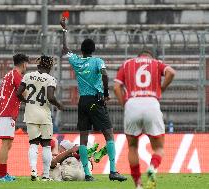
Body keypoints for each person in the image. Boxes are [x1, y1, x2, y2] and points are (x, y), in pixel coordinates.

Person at [60, 18, 127, 182]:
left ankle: (87, 174)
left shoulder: (76, 61)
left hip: (82, 101)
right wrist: (105, 93)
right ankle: (113, 171)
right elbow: (105, 75)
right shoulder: (97, 61)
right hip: (96, 101)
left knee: (83, 138)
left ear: (82, 50)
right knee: (109, 135)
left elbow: (65, 49)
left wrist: (64, 30)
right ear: (93, 50)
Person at [114, 50, 176, 189]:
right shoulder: (156, 63)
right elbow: (171, 72)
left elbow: (116, 87)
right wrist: (161, 88)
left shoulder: (127, 64)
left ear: (139, 57)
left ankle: (138, 184)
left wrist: (125, 104)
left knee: (132, 147)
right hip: (151, 103)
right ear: (150, 57)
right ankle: (152, 168)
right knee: (159, 148)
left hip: (132, 104)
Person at [17, 55, 63, 181]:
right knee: (47, 145)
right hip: (44, 114)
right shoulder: (50, 79)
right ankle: (46, 176)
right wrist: (59, 105)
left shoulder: (27, 76)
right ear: (50, 67)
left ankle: (33, 170)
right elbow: (50, 97)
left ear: (38, 65)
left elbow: (18, 93)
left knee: (33, 143)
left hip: (30, 113)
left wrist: (27, 101)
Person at [0, 53, 29, 182]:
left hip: (3, 112)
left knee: (8, 144)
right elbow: (23, 92)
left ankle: (4, 173)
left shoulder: (9, 74)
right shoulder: (16, 75)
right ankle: (2, 175)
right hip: (6, 113)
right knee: (5, 144)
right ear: (24, 63)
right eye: (27, 64)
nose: (27, 67)